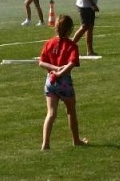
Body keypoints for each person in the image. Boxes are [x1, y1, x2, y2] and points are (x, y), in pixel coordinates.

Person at [37, 13, 88, 149]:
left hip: (50, 81)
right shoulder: (71, 45)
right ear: (70, 29)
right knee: (71, 111)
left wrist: (54, 69)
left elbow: (41, 62)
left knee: (51, 113)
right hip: (64, 82)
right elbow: (72, 63)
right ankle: (76, 140)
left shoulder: (49, 43)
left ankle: (45, 144)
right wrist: (60, 72)